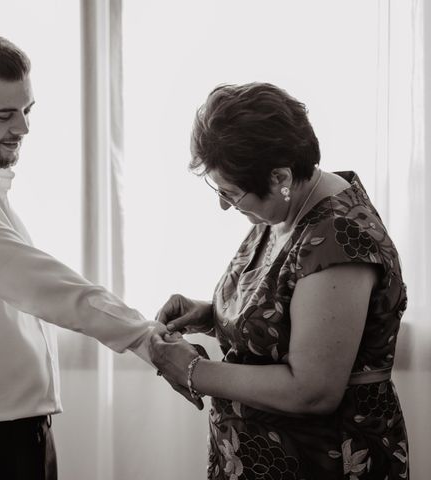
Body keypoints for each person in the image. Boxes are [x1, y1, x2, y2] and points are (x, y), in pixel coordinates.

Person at [0, 31, 187, 480]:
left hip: (24, 440)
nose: (23, 128)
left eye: (27, 111)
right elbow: (33, 279)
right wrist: (145, 339)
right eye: (6, 114)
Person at [149, 83, 409, 479]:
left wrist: (192, 371)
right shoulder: (286, 209)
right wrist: (211, 315)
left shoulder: (338, 238)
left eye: (231, 193)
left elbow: (312, 390)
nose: (224, 204)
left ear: (280, 177)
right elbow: (288, 316)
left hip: (321, 459)